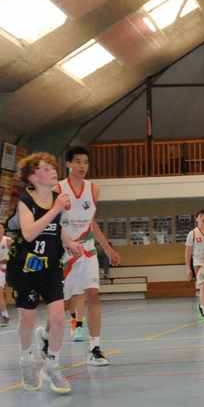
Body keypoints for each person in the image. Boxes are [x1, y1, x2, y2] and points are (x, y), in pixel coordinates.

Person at [6, 152, 79, 394]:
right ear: (33, 177)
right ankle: (26, 361)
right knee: (27, 319)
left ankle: (52, 365)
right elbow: (29, 233)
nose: (53, 171)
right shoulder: (25, 202)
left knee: (58, 318)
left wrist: (69, 242)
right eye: (45, 169)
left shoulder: (58, 199)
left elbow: (55, 228)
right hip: (26, 268)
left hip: (50, 267)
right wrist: (55, 209)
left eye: (52, 167)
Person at [58, 146, 120, 367]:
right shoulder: (58, 189)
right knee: (67, 303)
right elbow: (52, 223)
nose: (82, 166)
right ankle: (48, 334)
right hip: (65, 251)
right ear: (68, 164)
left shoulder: (93, 189)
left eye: (85, 162)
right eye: (77, 161)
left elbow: (91, 223)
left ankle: (95, 348)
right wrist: (68, 242)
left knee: (93, 294)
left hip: (87, 249)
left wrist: (108, 249)